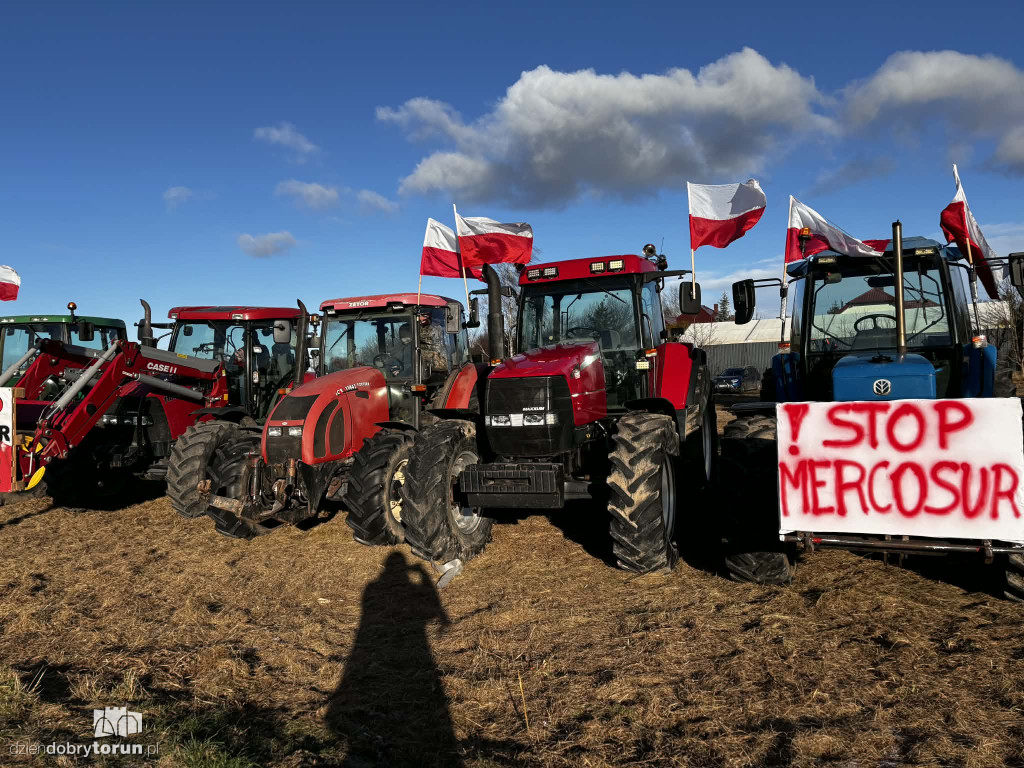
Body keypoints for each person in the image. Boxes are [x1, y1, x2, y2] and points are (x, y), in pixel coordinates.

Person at [416, 313, 448, 379]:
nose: (424, 318)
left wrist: (422, 322)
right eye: (422, 315)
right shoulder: (416, 328)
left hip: (437, 367)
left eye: (426, 316)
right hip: (421, 368)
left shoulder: (437, 328)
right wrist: (417, 322)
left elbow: (429, 337)